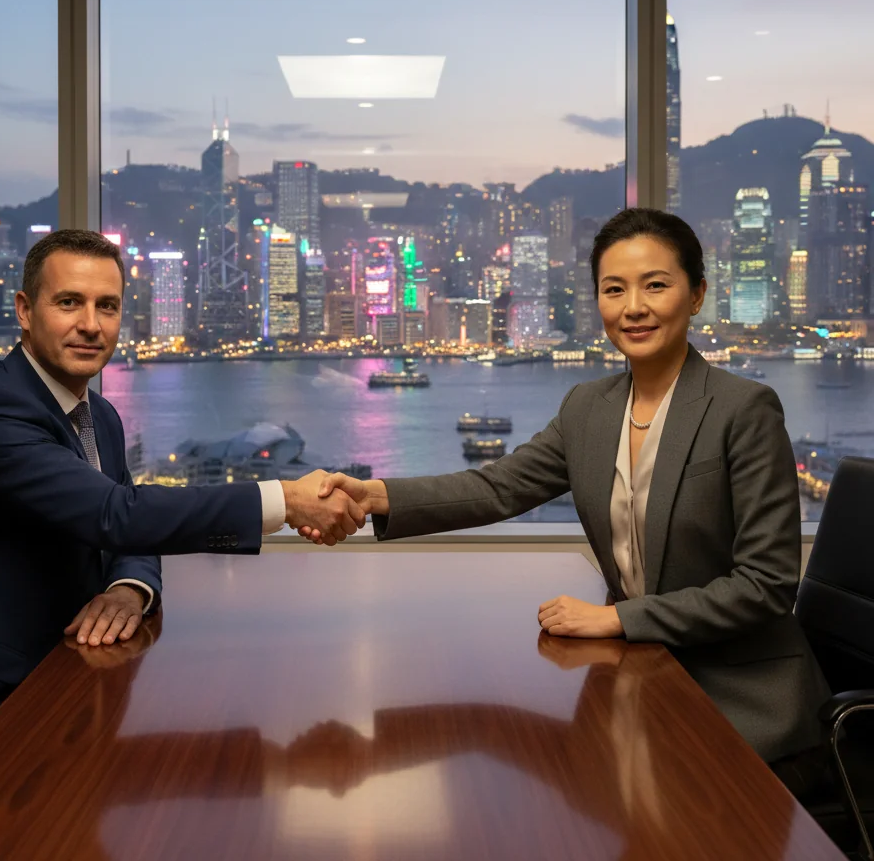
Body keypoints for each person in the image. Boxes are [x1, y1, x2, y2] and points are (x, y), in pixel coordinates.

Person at [310, 208, 830, 792]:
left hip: (742, 700)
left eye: (656, 285)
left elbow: (765, 585)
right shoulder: (589, 408)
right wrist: (374, 494)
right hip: (645, 676)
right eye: (614, 290)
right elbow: (497, 487)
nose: (633, 307)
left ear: (697, 294)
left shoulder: (744, 410)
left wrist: (615, 618)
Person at [0, 229, 363, 791]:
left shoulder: (99, 416)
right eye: (69, 302)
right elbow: (119, 514)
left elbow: (128, 534)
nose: (91, 324)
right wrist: (283, 499)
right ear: (24, 310)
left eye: (107, 306)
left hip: (64, 681)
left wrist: (130, 588)